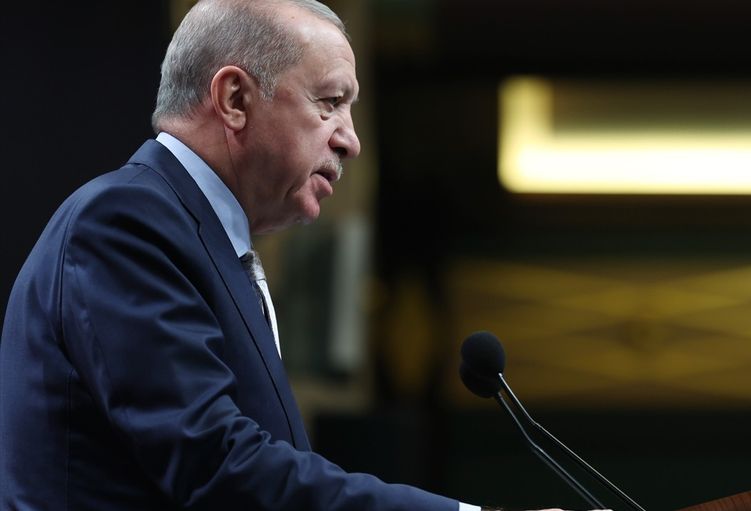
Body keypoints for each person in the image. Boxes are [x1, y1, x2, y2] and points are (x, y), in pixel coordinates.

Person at [0, 1, 580, 510]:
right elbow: (216, 467)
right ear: (234, 99)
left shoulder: (202, 240)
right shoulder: (126, 223)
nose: (351, 140)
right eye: (330, 102)